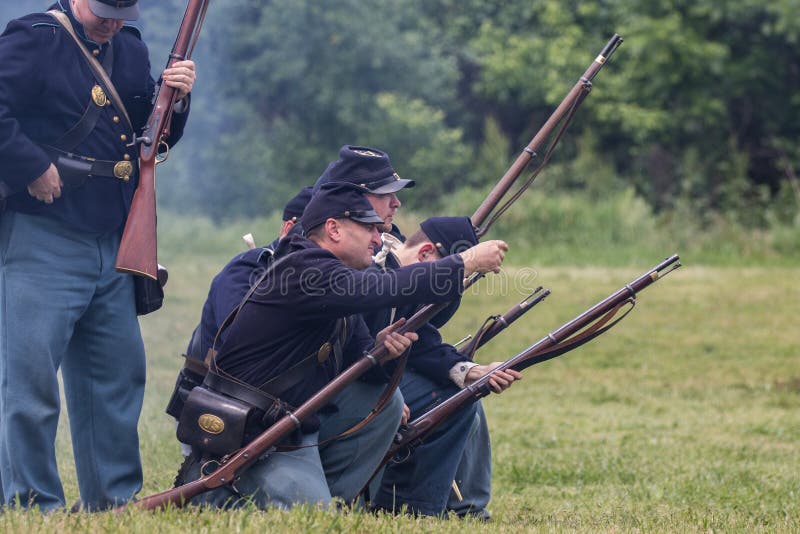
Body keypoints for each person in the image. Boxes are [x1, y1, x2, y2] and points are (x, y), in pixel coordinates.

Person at [178, 183, 508, 509]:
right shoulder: (288, 271)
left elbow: (366, 358)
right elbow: (379, 288)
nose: (381, 241)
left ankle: (344, 498)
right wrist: (464, 262)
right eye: (370, 230)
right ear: (332, 229)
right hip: (241, 424)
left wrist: (384, 353)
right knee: (308, 516)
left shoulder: (339, 280)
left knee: (389, 404)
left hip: (291, 420)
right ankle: (213, 491)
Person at [0, 0, 196, 511]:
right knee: (31, 382)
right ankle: (31, 504)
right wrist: (29, 164)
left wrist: (178, 98)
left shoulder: (128, 48)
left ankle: (114, 502)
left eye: (121, 13)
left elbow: (152, 136)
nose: (113, 22)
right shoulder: (35, 37)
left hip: (112, 237)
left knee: (116, 376)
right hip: (45, 233)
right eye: (106, 11)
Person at [366, 216, 521, 518]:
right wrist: (389, 393)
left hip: (381, 375)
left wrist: (469, 371)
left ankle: (467, 507)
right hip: (357, 381)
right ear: (425, 255)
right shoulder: (380, 274)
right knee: (452, 401)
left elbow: (421, 340)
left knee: (465, 395)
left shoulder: (400, 275)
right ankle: (410, 509)